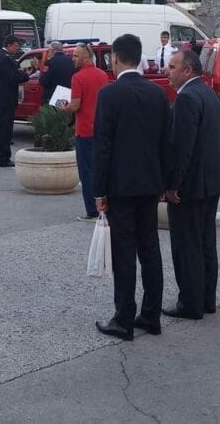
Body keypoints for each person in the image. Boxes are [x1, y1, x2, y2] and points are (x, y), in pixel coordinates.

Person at [92, 34, 170, 341]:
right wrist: (164, 182)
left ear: (114, 57)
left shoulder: (109, 94)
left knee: (124, 252)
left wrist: (99, 191)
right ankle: (151, 315)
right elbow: (166, 141)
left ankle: (123, 319)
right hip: (150, 184)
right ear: (139, 58)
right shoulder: (157, 94)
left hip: (120, 186)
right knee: (150, 248)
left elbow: (103, 146)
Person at [162, 50, 220, 320]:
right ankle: (206, 299)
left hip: (192, 184)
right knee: (205, 242)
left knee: (187, 244)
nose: (167, 71)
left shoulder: (187, 98)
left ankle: (190, 303)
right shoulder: (209, 93)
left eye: (172, 67)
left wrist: (172, 185)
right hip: (211, 180)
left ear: (187, 70)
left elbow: (182, 147)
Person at [59, 43, 110, 221]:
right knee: (102, 170)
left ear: (86, 57)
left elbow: (75, 105)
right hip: (101, 129)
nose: (72, 59)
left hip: (85, 130)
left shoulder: (78, 77)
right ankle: (105, 207)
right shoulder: (103, 75)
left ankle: (92, 211)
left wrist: (64, 108)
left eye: (75, 56)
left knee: (87, 172)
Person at [0, 34, 28, 167]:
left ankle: (0, 156)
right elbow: (13, 77)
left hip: (1, 99)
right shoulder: (4, 59)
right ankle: (3, 158)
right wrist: (24, 74)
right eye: (16, 46)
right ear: (9, 45)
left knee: (1, 129)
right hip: (5, 99)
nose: (17, 49)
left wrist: (19, 72)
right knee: (4, 130)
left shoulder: (1, 57)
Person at [38, 41, 75, 106]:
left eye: (49, 50)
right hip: (66, 96)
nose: (48, 53)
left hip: (51, 97)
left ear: (52, 50)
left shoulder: (50, 62)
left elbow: (43, 81)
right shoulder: (71, 61)